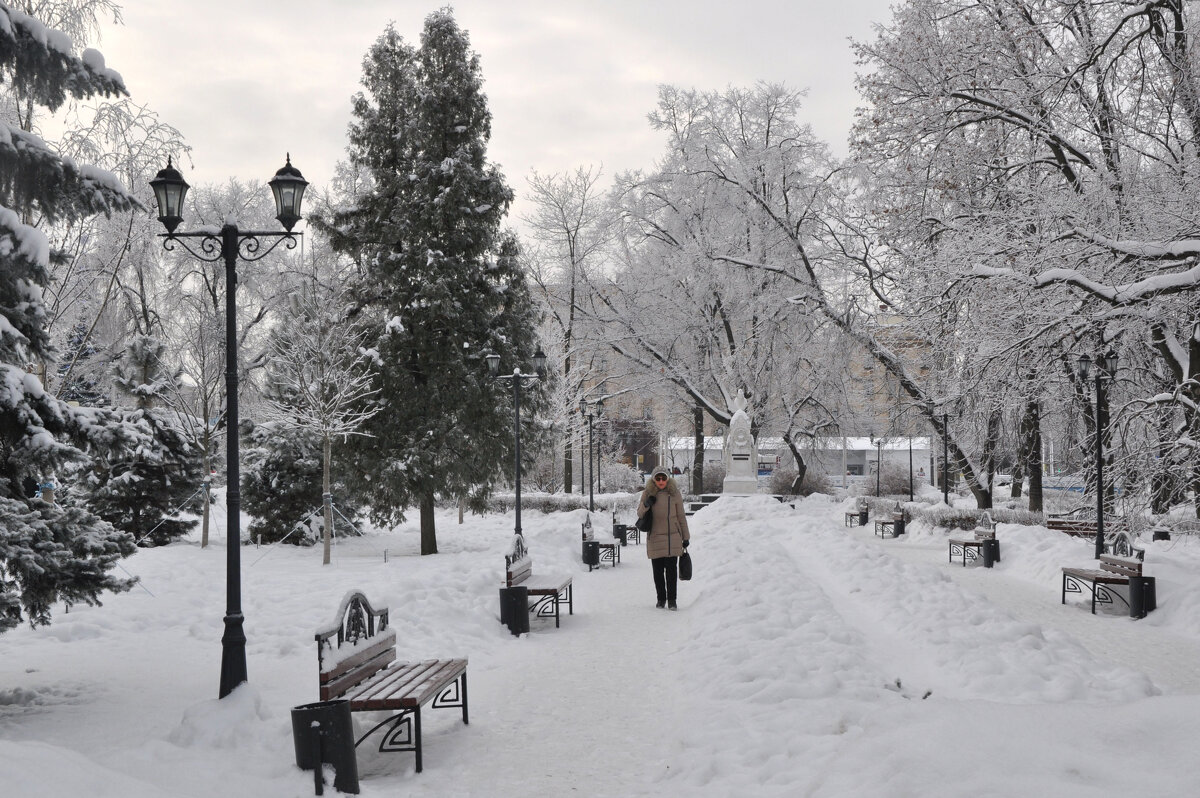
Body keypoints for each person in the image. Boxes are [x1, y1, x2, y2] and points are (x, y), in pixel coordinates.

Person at [635, 466, 691, 610]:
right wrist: (647, 504)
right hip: (655, 536)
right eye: (658, 478)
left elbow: (681, 517)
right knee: (658, 572)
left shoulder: (674, 493)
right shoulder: (647, 493)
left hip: (673, 537)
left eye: (663, 478)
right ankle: (661, 599)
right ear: (654, 479)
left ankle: (672, 600)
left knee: (671, 571)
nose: (661, 481)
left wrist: (685, 537)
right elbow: (640, 513)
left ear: (668, 479)